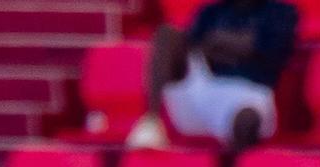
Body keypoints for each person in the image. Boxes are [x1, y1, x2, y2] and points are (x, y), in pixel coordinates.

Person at [127, 0, 298, 151]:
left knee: (248, 120)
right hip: (202, 85)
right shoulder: (210, 11)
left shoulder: (280, 12)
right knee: (167, 34)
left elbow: (260, 49)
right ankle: (151, 122)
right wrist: (230, 46)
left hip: (247, 93)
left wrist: (219, 43)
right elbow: (196, 47)